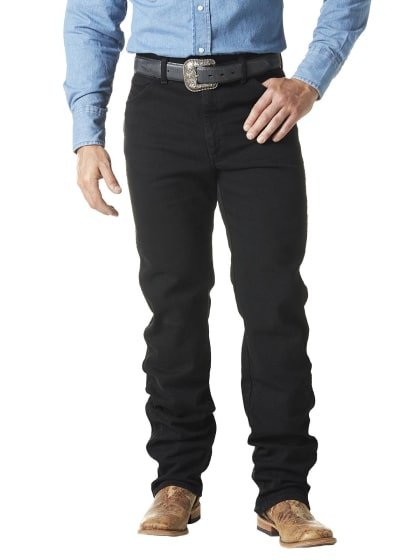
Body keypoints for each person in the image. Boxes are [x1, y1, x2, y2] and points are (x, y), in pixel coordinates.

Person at [63, 0, 371, 548]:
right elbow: (91, 15)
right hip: (158, 107)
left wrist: (310, 81)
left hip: (260, 103)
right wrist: (88, 135)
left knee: (273, 301)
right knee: (173, 301)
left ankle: (284, 492)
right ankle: (176, 481)